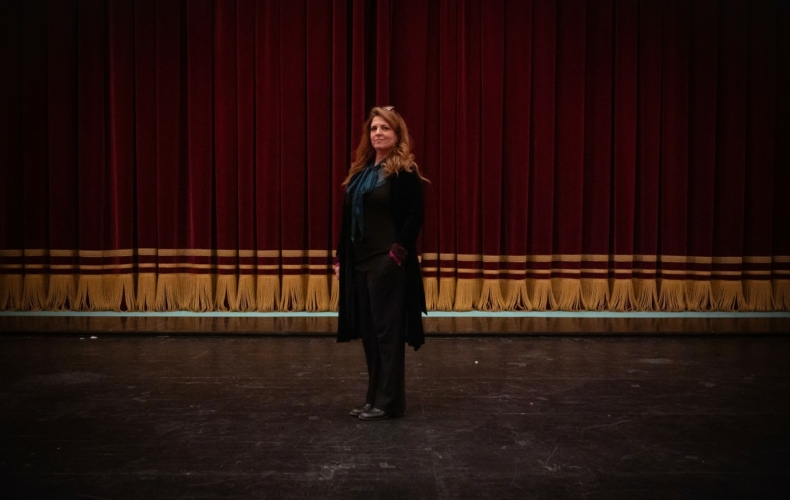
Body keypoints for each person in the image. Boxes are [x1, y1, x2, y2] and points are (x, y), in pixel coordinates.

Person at [334, 106, 429, 421]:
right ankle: (374, 397)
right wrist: (341, 259)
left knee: (387, 335)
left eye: (385, 128)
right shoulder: (361, 173)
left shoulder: (404, 172)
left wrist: (395, 257)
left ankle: (390, 402)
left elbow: (413, 219)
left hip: (387, 264)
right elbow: (348, 222)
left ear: (397, 134)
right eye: (374, 128)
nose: (378, 133)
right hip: (359, 264)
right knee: (370, 334)